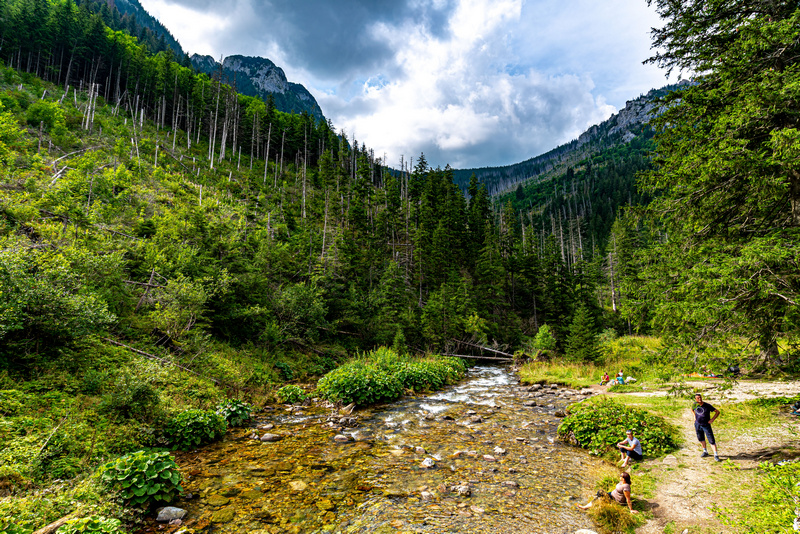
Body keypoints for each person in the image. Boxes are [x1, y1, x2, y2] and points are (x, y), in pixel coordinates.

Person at [692, 393, 721, 461]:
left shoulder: (707, 405)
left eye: (700, 397)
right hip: (697, 424)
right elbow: (692, 409)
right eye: (698, 398)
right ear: (695, 399)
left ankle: (716, 455)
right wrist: (694, 416)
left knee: (711, 439)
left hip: (706, 425)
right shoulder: (694, 404)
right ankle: (705, 451)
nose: (699, 399)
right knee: (701, 438)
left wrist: (712, 419)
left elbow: (717, 412)